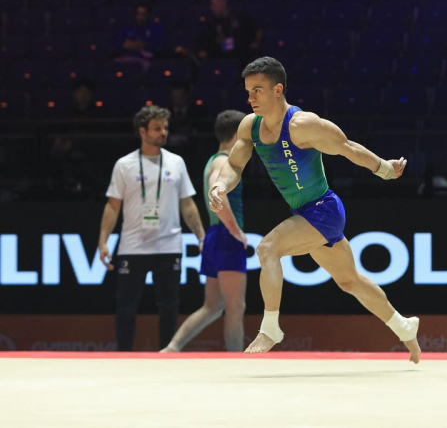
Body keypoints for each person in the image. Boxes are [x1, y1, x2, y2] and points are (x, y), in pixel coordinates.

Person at [208, 57, 421, 362]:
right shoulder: (250, 127)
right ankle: (406, 329)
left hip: (324, 209)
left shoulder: (302, 124)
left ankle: (271, 327)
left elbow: (347, 147)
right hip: (306, 214)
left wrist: (386, 169)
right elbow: (233, 165)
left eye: (257, 90)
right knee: (350, 281)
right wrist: (219, 186)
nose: (250, 98)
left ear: (278, 89)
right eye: (248, 91)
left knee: (267, 248)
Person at [98, 105, 206, 351]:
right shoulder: (124, 165)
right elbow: (112, 206)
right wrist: (103, 241)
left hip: (168, 245)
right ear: (142, 131)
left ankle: (167, 354)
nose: (163, 133)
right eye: (157, 128)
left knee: (169, 306)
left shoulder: (176, 162)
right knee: (126, 307)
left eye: (165, 128)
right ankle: (123, 355)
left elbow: (187, 203)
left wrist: (201, 235)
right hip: (133, 246)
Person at [161, 110, 248, 352]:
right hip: (225, 236)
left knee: (213, 306)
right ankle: (236, 359)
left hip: (214, 236)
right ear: (237, 136)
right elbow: (216, 196)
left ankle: (172, 348)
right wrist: (236, 231)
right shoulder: (223, 161)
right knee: (235, 306)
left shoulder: (212, 160)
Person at [197, 0, 262, 64]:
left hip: (242, 58)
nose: (212, 8)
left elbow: (257, 30)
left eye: (214, 4)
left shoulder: (240, 17)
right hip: (221, 59)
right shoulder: (212, 23)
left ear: (223, 3)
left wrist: (256, 43)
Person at [114, 2, 165, 72]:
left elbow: (157, 46)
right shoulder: (127, 28)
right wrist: (134, 45)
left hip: (145, 59)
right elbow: (120, 44)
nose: (140, 17)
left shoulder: (155, 29)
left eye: (143, 14)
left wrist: (142, 44)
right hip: (127, 57)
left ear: (148, 15)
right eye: (138, 14)